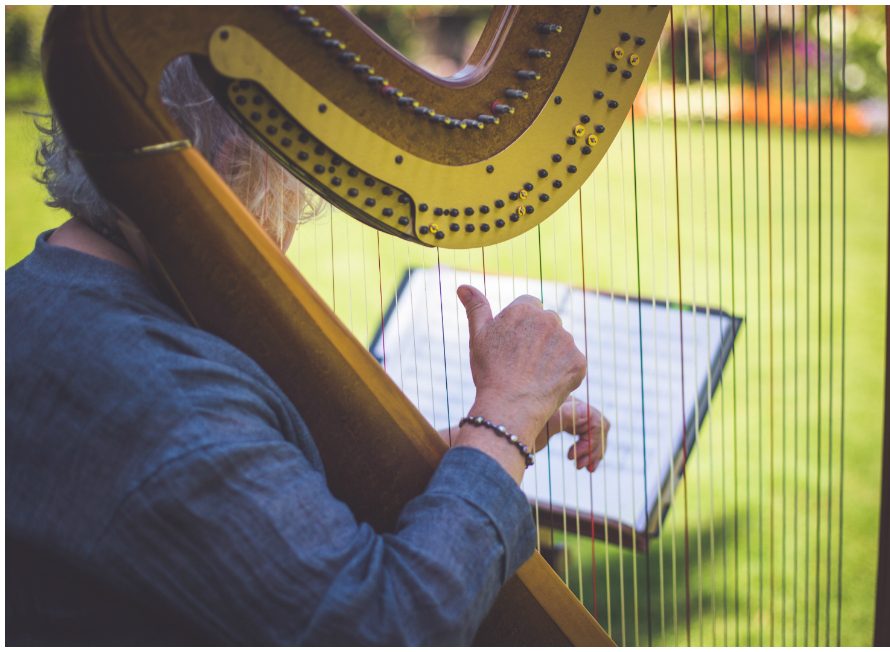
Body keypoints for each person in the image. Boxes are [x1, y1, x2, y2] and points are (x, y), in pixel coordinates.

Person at [6, 58, 609, 645]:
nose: (291, 226)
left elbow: (240, 503)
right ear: (228, 168)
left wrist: (482, 441)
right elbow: (386, 626)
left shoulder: (41, 295)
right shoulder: (163, 392)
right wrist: (506, 414)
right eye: (297, 173)